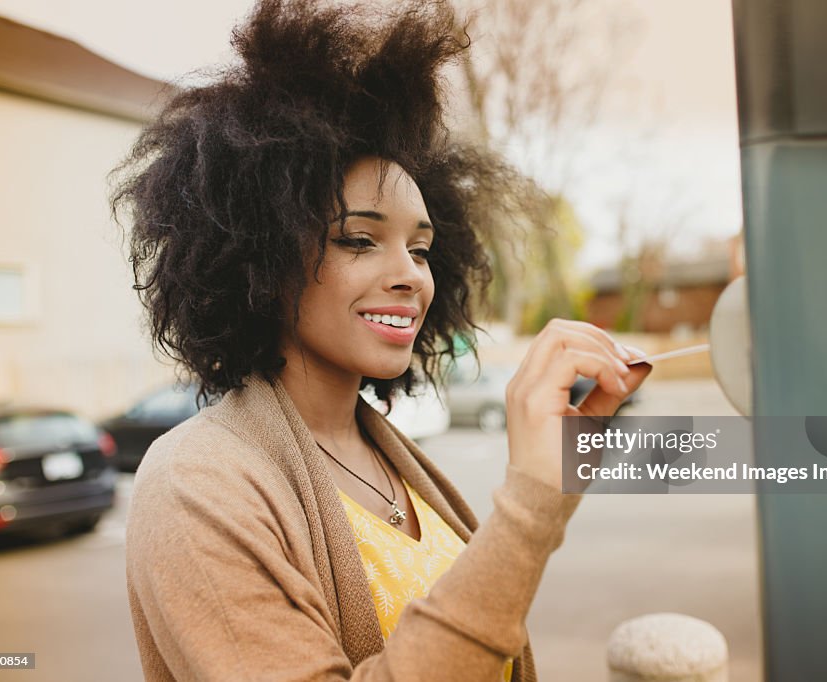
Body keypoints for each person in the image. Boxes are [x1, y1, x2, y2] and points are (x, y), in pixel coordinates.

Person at [112, 1, 652, 680]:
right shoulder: (195, 482)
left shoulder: (394, 460)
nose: (409, 277)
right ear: (262, 256)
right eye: (359, 240)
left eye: (422, 250)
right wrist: (530, 504)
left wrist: (555, 480)